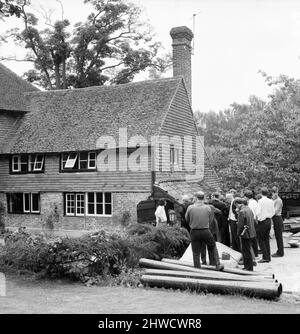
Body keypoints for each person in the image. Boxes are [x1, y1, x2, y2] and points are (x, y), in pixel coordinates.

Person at [185, 191, 224, 271]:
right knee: (213, 247)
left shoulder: (190, 208)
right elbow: (210, 220)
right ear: (204, 198)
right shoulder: (208, 208)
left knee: (195, 251)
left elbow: (187, 219)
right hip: (206, 230)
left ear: (195, 198)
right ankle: (217, 264)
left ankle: (197, 268)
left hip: (194, 231)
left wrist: (193, 223)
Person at [235, 198, 256, 271]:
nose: (236, 207)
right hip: (251, 232)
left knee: (245, 251)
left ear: (237, 204)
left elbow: (240, 225)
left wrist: (238, 234)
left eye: (236, 205)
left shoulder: (242, 211)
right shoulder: (249, 209)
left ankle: (248, 267)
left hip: (245, 233)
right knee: (248, 250)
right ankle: (248, 266)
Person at [256, 187, 275, 263]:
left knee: (261, 240)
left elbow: (258, 212)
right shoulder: (271, 201)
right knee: (266, 239)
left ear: (261, 193)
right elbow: (273, 211)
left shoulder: (260, 201)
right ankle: (268, 257)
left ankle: (265, 257)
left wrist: (259, 218)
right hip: (268, 220)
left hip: (262, 221)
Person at [244, 189, 259, 258]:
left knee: (252, 237)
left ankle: (255, 253)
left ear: (246, 197)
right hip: (254, 219)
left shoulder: (251, 203)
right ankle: (255, 252)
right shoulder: (254, 201)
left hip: (252, 220)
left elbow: (250, 213)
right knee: (253, 236)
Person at [271, 186, 284, 257]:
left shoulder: (279, 200)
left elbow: (275, 211)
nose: (273, 195)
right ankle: (279, 250)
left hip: (277, 218)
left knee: (279, 236)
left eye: (275, 193)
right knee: (277, 236)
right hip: (275, 219)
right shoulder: (274, 200)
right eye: (273, 193)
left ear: (277, 192)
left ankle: (280, 252)